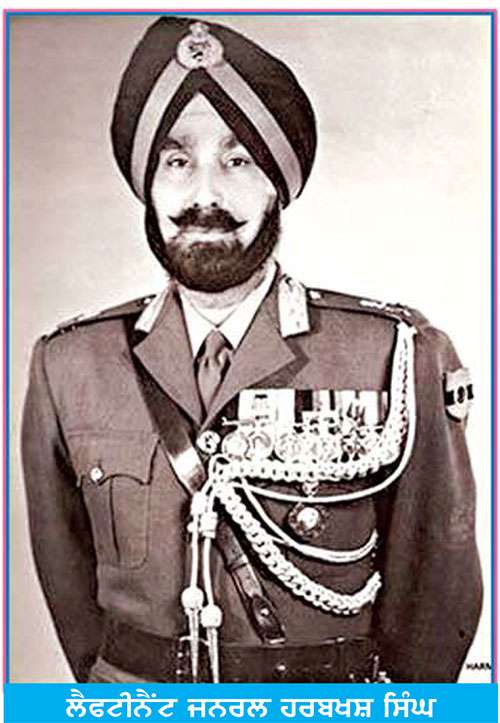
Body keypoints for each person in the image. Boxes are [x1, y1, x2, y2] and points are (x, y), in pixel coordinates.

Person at [21, 15, 482, 684]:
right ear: (149, 187)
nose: (205, 194)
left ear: (277, 186)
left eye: (238, 161)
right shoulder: (68, 365)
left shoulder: (394, 353)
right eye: (177, 162)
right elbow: (73, 599)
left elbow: (438, 598)